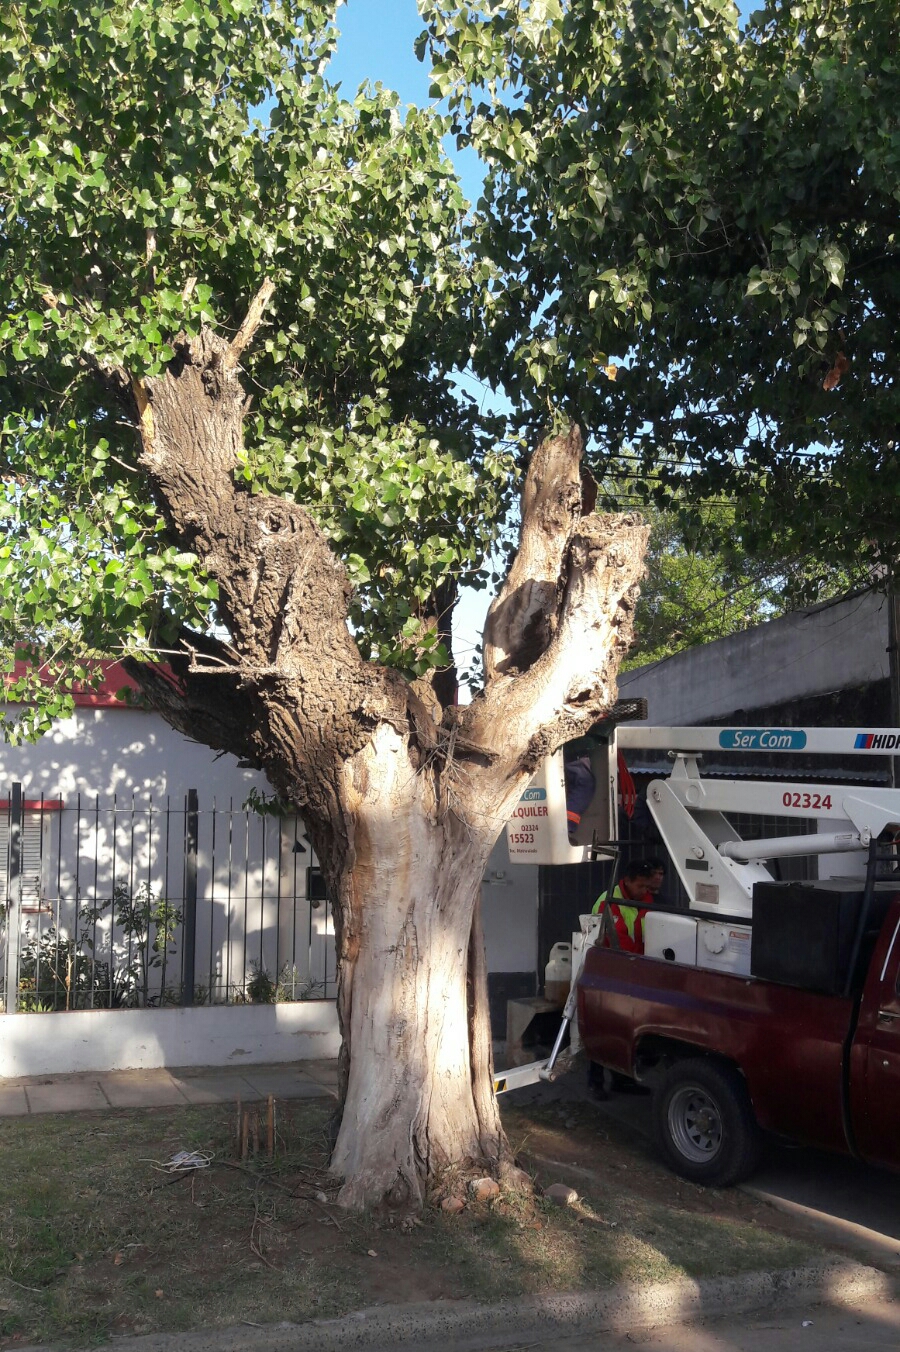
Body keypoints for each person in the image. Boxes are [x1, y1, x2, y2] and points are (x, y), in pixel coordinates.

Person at [591, 859, 659, 953]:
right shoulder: (609, 901)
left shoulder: (648, 901)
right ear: (627, 881)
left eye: (647, 887)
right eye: (640, 886)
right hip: (613, 958)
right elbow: (618, 940)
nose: (644, 891)